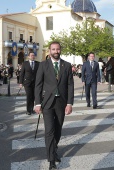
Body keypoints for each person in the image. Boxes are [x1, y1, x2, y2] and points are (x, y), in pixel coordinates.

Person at [34, 41, 74, 170]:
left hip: (61, 103)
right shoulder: (43, 65)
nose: (56, 51)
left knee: (58, 130)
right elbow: (38, 85)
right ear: (49, 51)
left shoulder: (66, 65)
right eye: (53, 49)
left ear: (60, 50)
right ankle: (51, 160)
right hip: (47, 103)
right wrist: (37, 103)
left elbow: (70, 85)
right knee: (49, 131)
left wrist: (69, 103)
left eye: (57, 49)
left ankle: (54, 148)